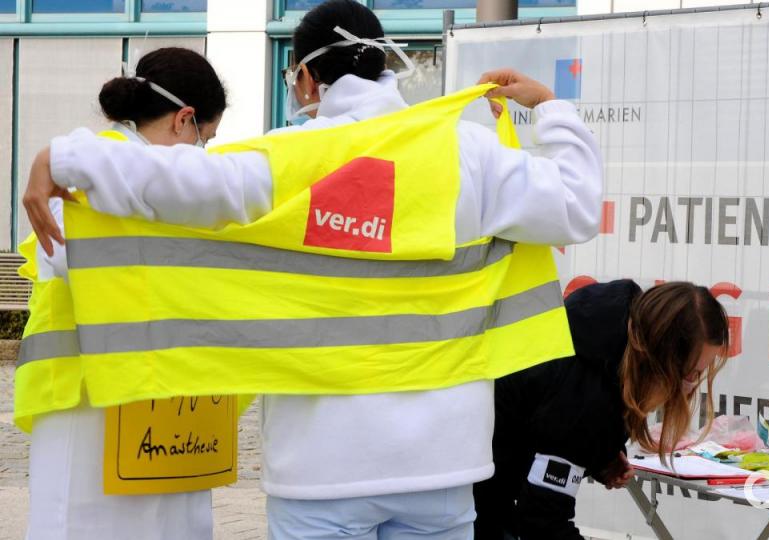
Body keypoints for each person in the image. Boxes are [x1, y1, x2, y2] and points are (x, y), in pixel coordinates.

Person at [22, 1, 603, 538]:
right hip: (443, 467)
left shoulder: (292, 157)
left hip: (320, 468)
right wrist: (549, 106)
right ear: (384, 66)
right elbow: (576, 206)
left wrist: (67, 156)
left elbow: (180, 180)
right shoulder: (468, 154)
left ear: (305, 78)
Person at [19, 47, 227, 539]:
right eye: (206, 139)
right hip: (90, 406)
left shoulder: (95, 176)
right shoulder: (77, 185)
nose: (203, 153)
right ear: (184, 120)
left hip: (160, 407)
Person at [473, 280, 730, 540]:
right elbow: (542, 523)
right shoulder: (585, 396)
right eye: (692, 375)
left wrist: (599, 456)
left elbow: (543, 428)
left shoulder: (606, 337)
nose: (691, 388)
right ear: (661, 363)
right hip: (474, 493)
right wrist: (585, 445)